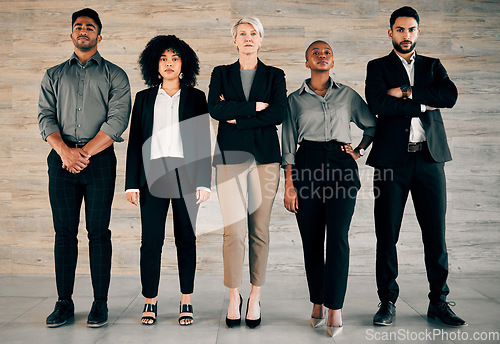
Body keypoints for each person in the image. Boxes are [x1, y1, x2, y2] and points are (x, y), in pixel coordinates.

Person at [365, 6, 466, 327]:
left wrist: (407, 93)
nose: (405, 35)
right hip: (391, 161)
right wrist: (425, 100)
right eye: (400, 29)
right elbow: (378, 102)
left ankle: (439, 301)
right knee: (387, 234)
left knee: (436, 233)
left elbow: (449, 96)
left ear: (418, 32)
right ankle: (387, 301)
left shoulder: (433, 66)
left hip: (430, 159)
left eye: (411, 30)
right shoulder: (378, 66)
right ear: (390, 32)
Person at [38, 8, 131, 328]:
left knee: (98, 232)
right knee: (63, 233)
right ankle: (64, 302)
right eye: (78, 26)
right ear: (71, 34)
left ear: (99, 36)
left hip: (100, 161)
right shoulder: (53, 74)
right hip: (60, 160)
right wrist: (65, 151)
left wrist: (84, 154)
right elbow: (45, 117)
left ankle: (99, 303)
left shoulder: (115, 75)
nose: (83, 31)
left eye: (89, 27)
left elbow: (118, 120)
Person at [282, 41, 376, 337]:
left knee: (337, 237)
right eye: (316, 53)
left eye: (327, 53)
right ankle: (317, 301)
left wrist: (358, 150)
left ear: (332, 62)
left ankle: (335, 306)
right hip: (306, 164)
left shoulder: (347, 95)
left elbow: (371, 125)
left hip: (340, 166)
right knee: (311, 240)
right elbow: (287, 144)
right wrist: (289, 185)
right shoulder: (293, 100)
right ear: (306, 61)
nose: (322, 56)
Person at [125, 35, 211, 326]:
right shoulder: (145, 98)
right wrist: (131, 183)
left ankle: (186, 299)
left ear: (184, 63)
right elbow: (136, 140)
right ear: (155, 64)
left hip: (186, 174)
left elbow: (202, 140)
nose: (169, 63)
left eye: (174, 58)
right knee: (151, 241)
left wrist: (204, 181)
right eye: (163, 58)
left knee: (186, 238)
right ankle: (150, 300)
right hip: (152, 175)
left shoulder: (196, 97)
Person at [208, 17, 287, 329]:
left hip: (266, 159)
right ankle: (233, 295)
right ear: (235, 41)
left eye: (254, 33)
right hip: (230, 158)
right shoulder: (221, 73)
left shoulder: (275, 75)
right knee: (234, 232)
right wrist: (256, 107)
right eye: (243, 34)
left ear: (261, 40)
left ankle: (255, 295)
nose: (248, 38)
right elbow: (215, 109)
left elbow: (278, 113)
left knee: (259, 230)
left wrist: (238, 119)